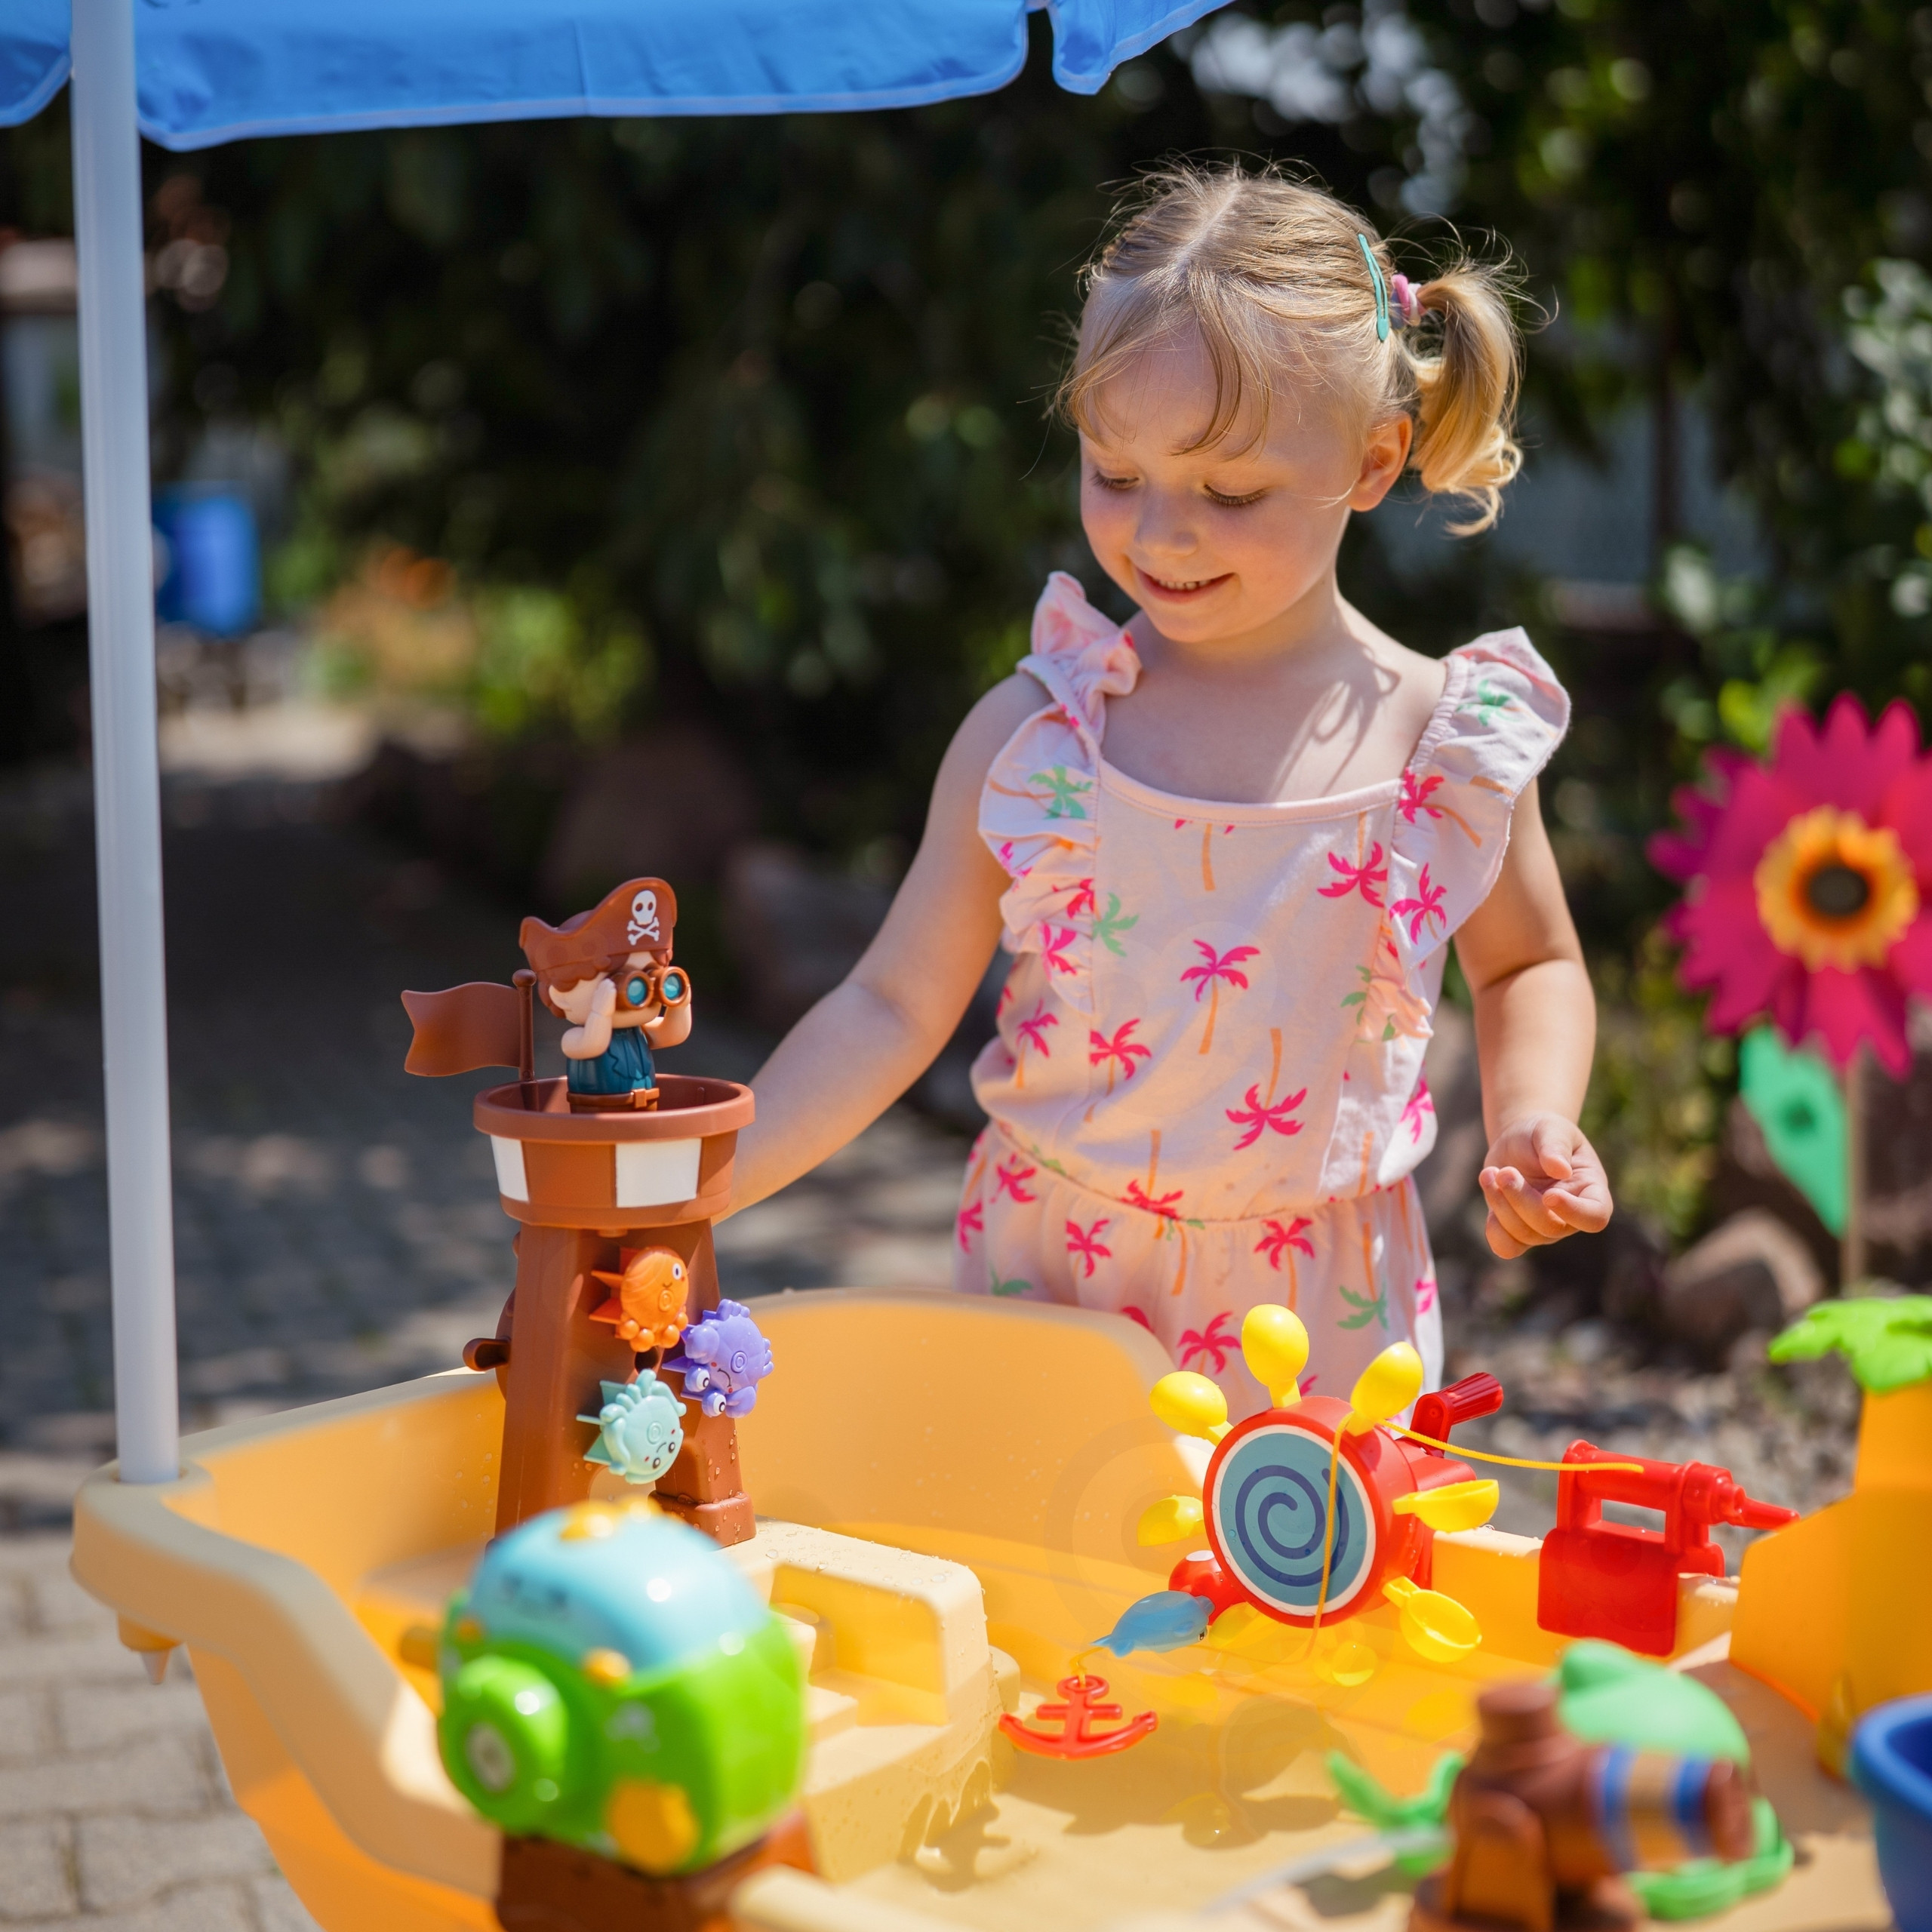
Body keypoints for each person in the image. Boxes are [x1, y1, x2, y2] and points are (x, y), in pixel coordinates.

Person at [730, 163, 1611, 1412]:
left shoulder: (1444, 751)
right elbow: (889, 1005)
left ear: (1373, 462)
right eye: (1113, 471)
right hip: (1054, 1294)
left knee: (1302, 1548)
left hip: (1321, 1325)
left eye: (1229, 491)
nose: (1158, 533)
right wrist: (689, 1191)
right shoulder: (1041, 742)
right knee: (1041, 1546)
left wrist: (1535, 1116)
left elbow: (1529, 965)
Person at [521, 878, 694, 1112]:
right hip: (596, 1117)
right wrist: (600, 1013)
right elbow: (594, 1044)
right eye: (621, 980)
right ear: (560, 995)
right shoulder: (573, 1039)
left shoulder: (638, 1031)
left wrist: (680, 1005)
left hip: (645, 1111)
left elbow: (674, 1033)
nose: (640, 990)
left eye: (651, 975)